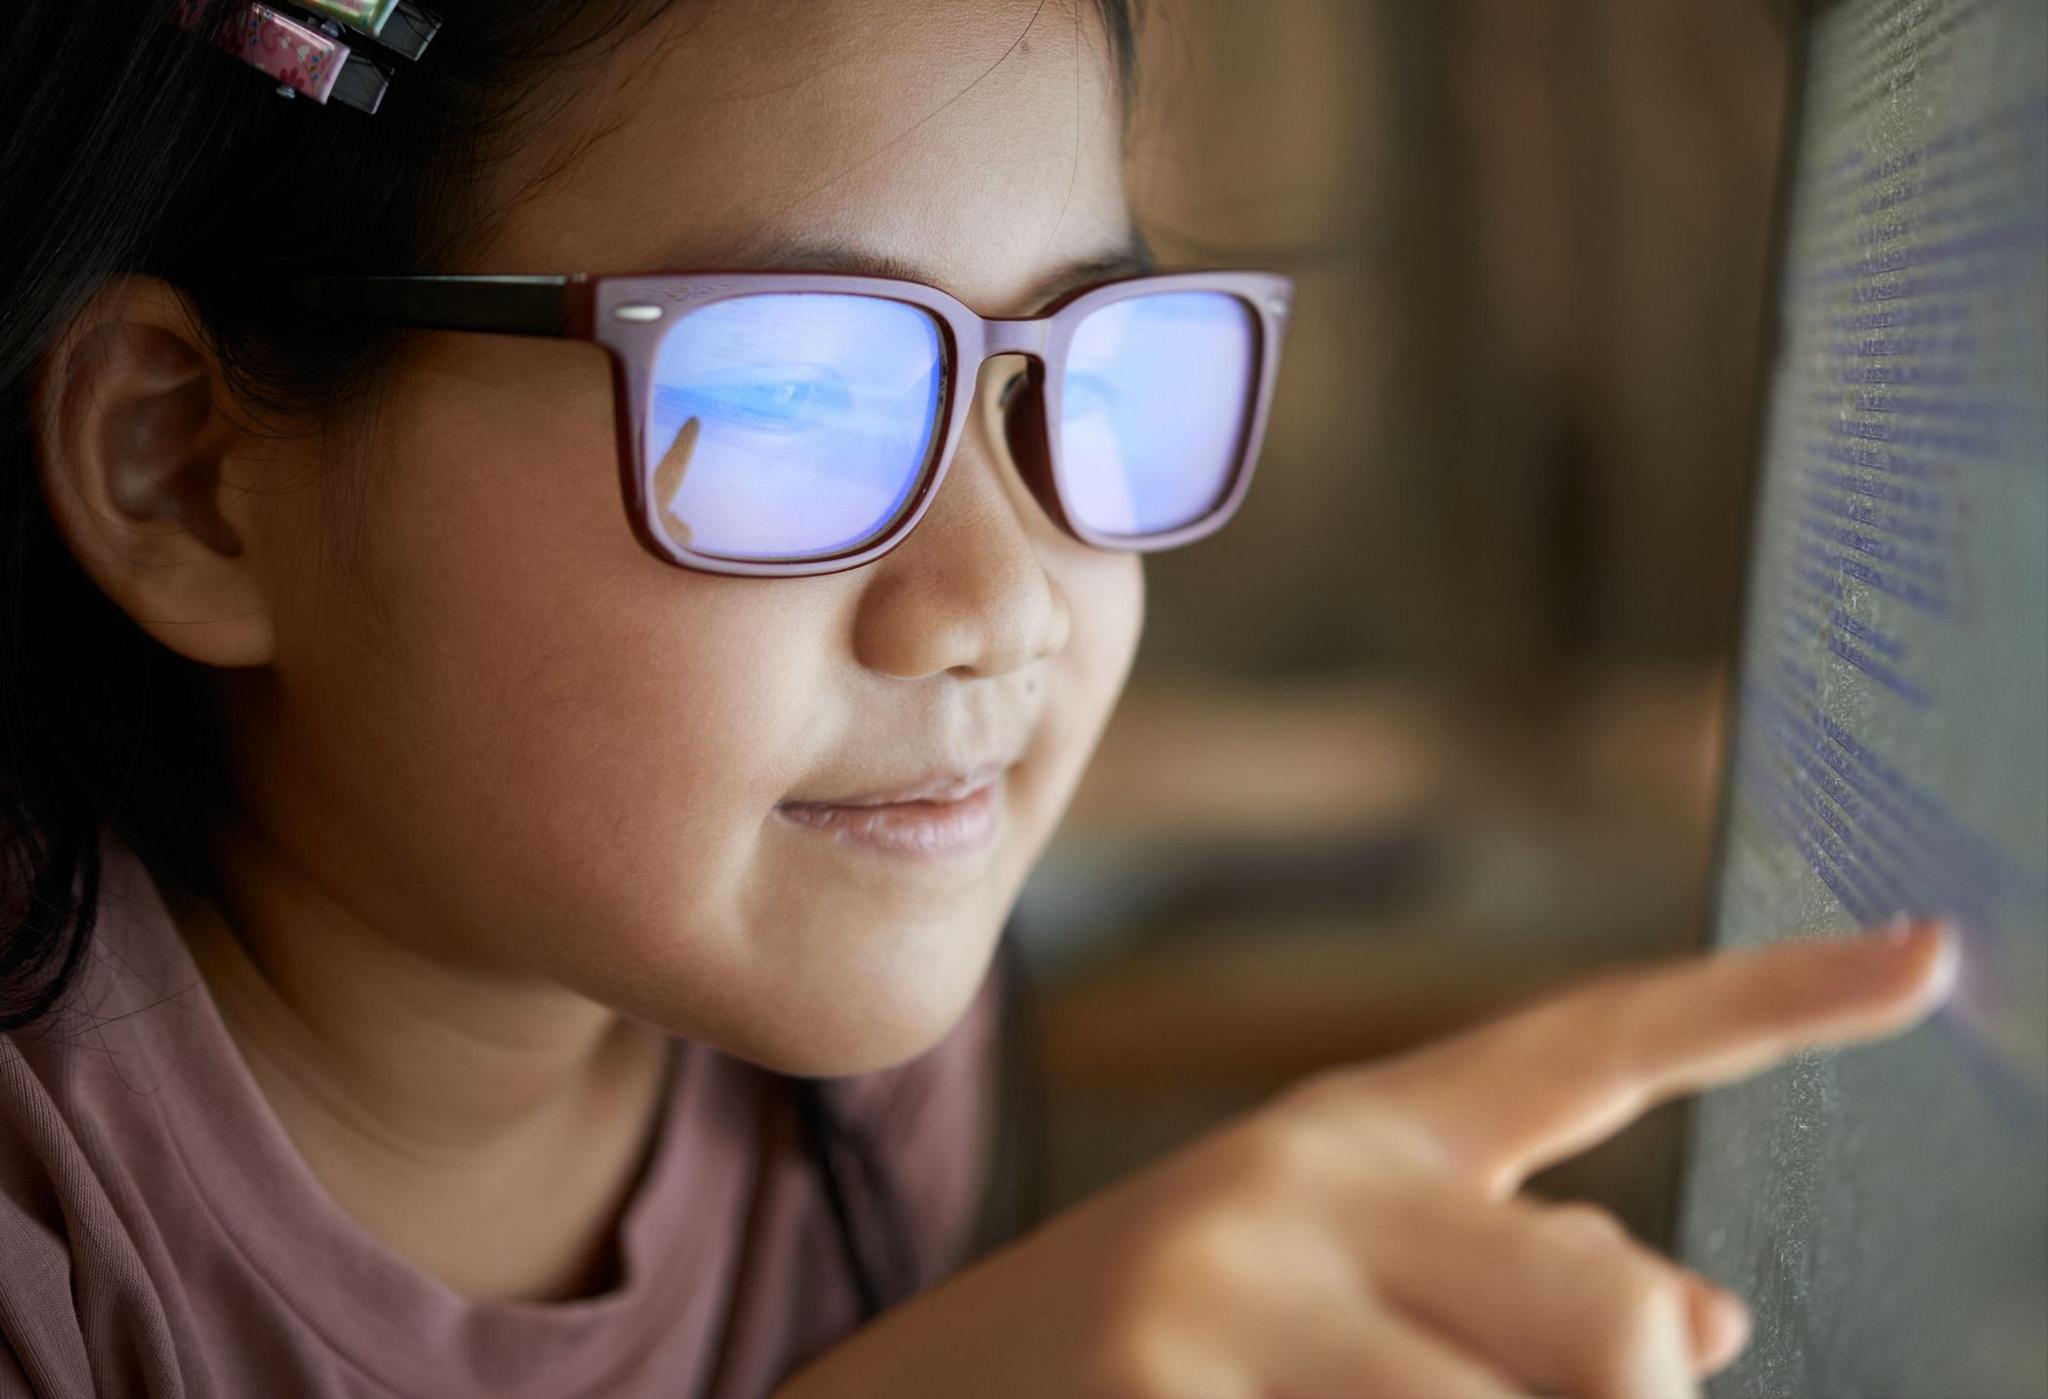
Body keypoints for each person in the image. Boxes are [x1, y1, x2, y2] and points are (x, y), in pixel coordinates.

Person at [0, 1, 1960, 1396]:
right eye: (792, 396)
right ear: (189, 472)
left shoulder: (854, 1050)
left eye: (1081, 381)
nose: (1000, 596)